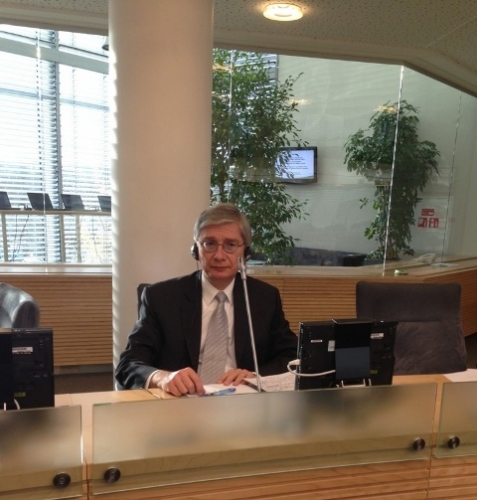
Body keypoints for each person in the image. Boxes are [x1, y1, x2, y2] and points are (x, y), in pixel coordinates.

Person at [115, 203, 297, 396]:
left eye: (230, 245)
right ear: (196, 250)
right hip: (179, 406)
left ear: (246, 252)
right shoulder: (161, 297)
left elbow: (291, 357)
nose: (219, 255)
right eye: (209, 244)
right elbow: (128, 365)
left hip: (242, 405)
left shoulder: (264, 298)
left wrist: (255, 376)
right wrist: (163, 378)